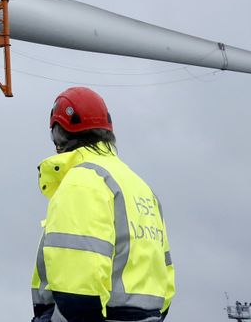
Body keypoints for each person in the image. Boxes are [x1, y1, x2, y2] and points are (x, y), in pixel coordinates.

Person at [31, 87, 175, 322]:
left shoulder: (81, 182)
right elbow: (165, 272)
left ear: (60, 134)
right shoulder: (139, 186)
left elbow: (76, 294)